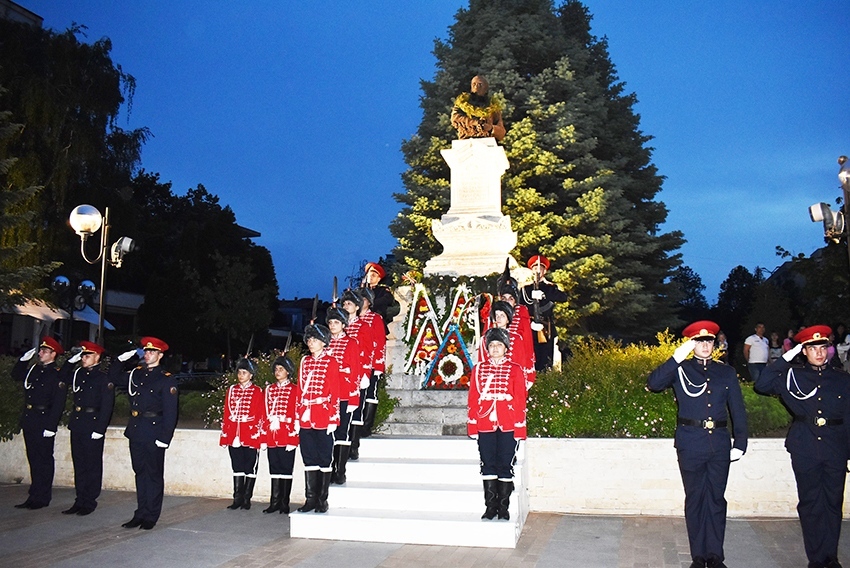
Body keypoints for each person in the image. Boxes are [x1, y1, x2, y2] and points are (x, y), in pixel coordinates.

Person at [647, 321, 748, 568]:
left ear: (715, 344)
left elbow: (737, 409)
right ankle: (698, 556)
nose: (705, 345)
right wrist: (676, 357)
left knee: (716, 499)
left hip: (719, 443)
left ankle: (714, 556)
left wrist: (741, 442)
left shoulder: (725, 372)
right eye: (699, 341)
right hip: (690, 442)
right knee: (694, 499)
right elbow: (654, 383)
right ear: (691, 345)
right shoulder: (680, 370)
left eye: (709, 341)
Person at [755, 325, 850, 568]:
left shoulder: (842, 379)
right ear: (803, 351)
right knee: (809, 503)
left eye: (822, 347)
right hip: (805, 445)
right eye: (812, 348)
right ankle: (816, 558)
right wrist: (785, 358)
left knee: (832, 503)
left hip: (835, 447)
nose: (818, 353)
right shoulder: (791, 375)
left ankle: (831, 557)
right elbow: (762, 384)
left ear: (828, 350)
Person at [113, 336, 178, 530]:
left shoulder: (166, 379)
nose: (147, 354)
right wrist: (119, 360)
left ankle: (151, 515)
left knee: (154, 475)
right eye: (146, 351)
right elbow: (114, 378)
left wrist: (165, 438)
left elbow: (170, 412)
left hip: (154, 432)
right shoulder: (137, 374)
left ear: (160, 355)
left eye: (152, 352)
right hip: (136, 430)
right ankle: (140, 512)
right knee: (139, 473)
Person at [468, 327, 526, 521]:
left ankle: (503, 508)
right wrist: (473, 425)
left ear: (506, 348)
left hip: (508, 423)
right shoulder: (478, 370)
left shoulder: (515, 369)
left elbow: (520, 399)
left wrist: (520, 427)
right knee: (487, 464)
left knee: (505, 464)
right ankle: (490, 507)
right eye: (491, 345)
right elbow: (473, 398)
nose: (494, 349)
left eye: (498, 345)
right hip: (485, 422)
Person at [10, 337, 68, 510]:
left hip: (44, 419)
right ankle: (33, 495)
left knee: (44, 459)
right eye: (41, 351)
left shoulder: (57, 373)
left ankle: (43, 496)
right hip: (30, 418)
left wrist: (51, 426)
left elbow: (58, 403)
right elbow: (16, 375)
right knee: (33, 458)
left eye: (44, 351)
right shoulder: (34, 369)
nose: (40, 353)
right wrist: (23, 360)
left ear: (53, 354)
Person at [63, 341, 115, 516]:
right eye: (83, 355)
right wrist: (70, 362)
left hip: (93, 425)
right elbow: (62, 377)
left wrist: (100, 429)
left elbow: (107, 406)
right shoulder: (78, 374)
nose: (84, 358)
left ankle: (89, 501)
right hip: (78, 423)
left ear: (97, 357)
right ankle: (79, 499)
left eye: (87, 355)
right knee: (79, 464)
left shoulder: (103, 378)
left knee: (92, 465)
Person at [296, 324, 341, 513]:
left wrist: (333, 418)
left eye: (314, 340)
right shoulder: (305, 362)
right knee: (309, 458)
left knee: (324, 458)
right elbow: (300, 389)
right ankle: (310, 499)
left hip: (323, 414)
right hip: (306, 415)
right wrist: (297, 416)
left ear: (324, 342)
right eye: (309, 340)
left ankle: (322, 500)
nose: (311, 343)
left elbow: (335, 391)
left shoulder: (331, 362)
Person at [220, 358, 264, 510]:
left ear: (251, 375)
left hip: (250, 434)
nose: (241, 375)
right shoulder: (232, 390)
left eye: (244, 373)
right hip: (234, 434)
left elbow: (260, 414)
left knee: (250, 467)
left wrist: (258, 435)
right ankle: (237, 498)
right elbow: (227, 413)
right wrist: (225, 435)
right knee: (237, 466)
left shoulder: (257, 391)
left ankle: (247, 498)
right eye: (239, 372)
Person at [325, 305, 362, 485]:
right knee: (329, 433)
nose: (332, 325)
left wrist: (354, 398)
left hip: (345, 395)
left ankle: (340, 470)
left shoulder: (351, 343)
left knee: (342, 432)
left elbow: (355, 370)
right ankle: (329, 468)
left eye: (336, 322)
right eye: (330, 322)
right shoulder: (324, 343)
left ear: (343, 324)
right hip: (328, 397)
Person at [261, 355, 299, 514]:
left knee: (286, 469)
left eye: (281, 369)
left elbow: (296, 414)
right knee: (274, 468)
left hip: (286, 434)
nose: (278, 372)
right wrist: (263, 438)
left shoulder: (295, 389)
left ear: (288, 372)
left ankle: (284, 503)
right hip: (271, 435)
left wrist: (293, 439)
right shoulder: (269, 389)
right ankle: (274, 501)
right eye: (276, 369)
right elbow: (264, 414)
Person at [519, 255, 568, 371]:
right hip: (529, 327)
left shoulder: (550, 287)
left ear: (544, 271)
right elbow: (519, 306)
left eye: (540, 269)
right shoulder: (525, 289)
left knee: (546, 360)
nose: (537, 271)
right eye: (535, 268)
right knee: (530, 358)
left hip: (546, 328)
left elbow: (563, 297)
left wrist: (544, 295)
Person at [498, 278, 536, 389]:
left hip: (516, 360)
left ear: (515, 301)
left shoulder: (522, 314)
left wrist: (528, 366)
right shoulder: (493, 315)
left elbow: (527, 343)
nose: (506, 301)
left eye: (510, 299)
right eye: (504, 298)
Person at [451, 75, 506, 142]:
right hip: (466, 141)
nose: (476, 87)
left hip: (487, 143)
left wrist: (491, 128)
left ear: (486, 89)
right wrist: (475, 123)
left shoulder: (494, 108)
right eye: (474, 84)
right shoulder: (461, 103)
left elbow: (502, 132)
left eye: (480, 84)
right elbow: (455, 119)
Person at [363, 261, 400, 335]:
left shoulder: (383, 290)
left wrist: (370, 303)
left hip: (377, 323)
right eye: (369, 274)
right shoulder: (361, 291)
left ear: (379, 278)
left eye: (374, 275)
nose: (371, 276)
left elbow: (388, 299)